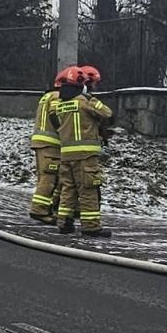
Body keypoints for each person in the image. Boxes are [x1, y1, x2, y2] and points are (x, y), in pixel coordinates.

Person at [50, 66, 114, 237]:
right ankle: (91, 227)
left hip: (66, 155)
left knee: (68, 189)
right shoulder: (85, 101)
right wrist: (92, 101)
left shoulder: (60, 104)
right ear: (81, 85)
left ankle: (64, 223)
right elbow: (107, 113)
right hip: (85, 155)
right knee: (88, 190)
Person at [28, 68, 69, 224]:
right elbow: (58, 117)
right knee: (49, 178)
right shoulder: (57, 97)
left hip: (42, 143)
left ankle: (45, 208)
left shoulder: (47, 96)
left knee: (45, 176)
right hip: (50, 144)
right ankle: (39, 210)